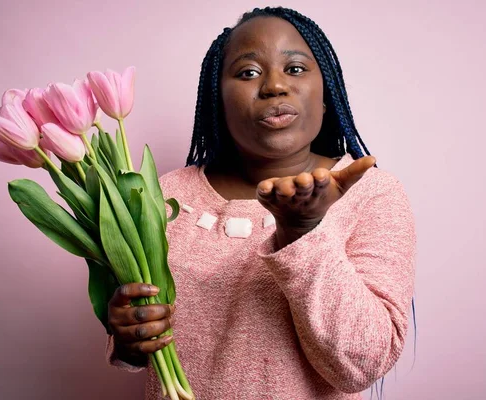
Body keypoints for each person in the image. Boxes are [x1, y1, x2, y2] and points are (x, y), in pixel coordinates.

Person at [105, 6, 416, 400]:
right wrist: (129, 337)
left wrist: (303, 232)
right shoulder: (164, 196)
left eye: (297, 69)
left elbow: (362, 365)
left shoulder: (371, 194)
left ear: (325, 95)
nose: (274, 86)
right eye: (248, 72)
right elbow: (142, 338)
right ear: (216, 100)